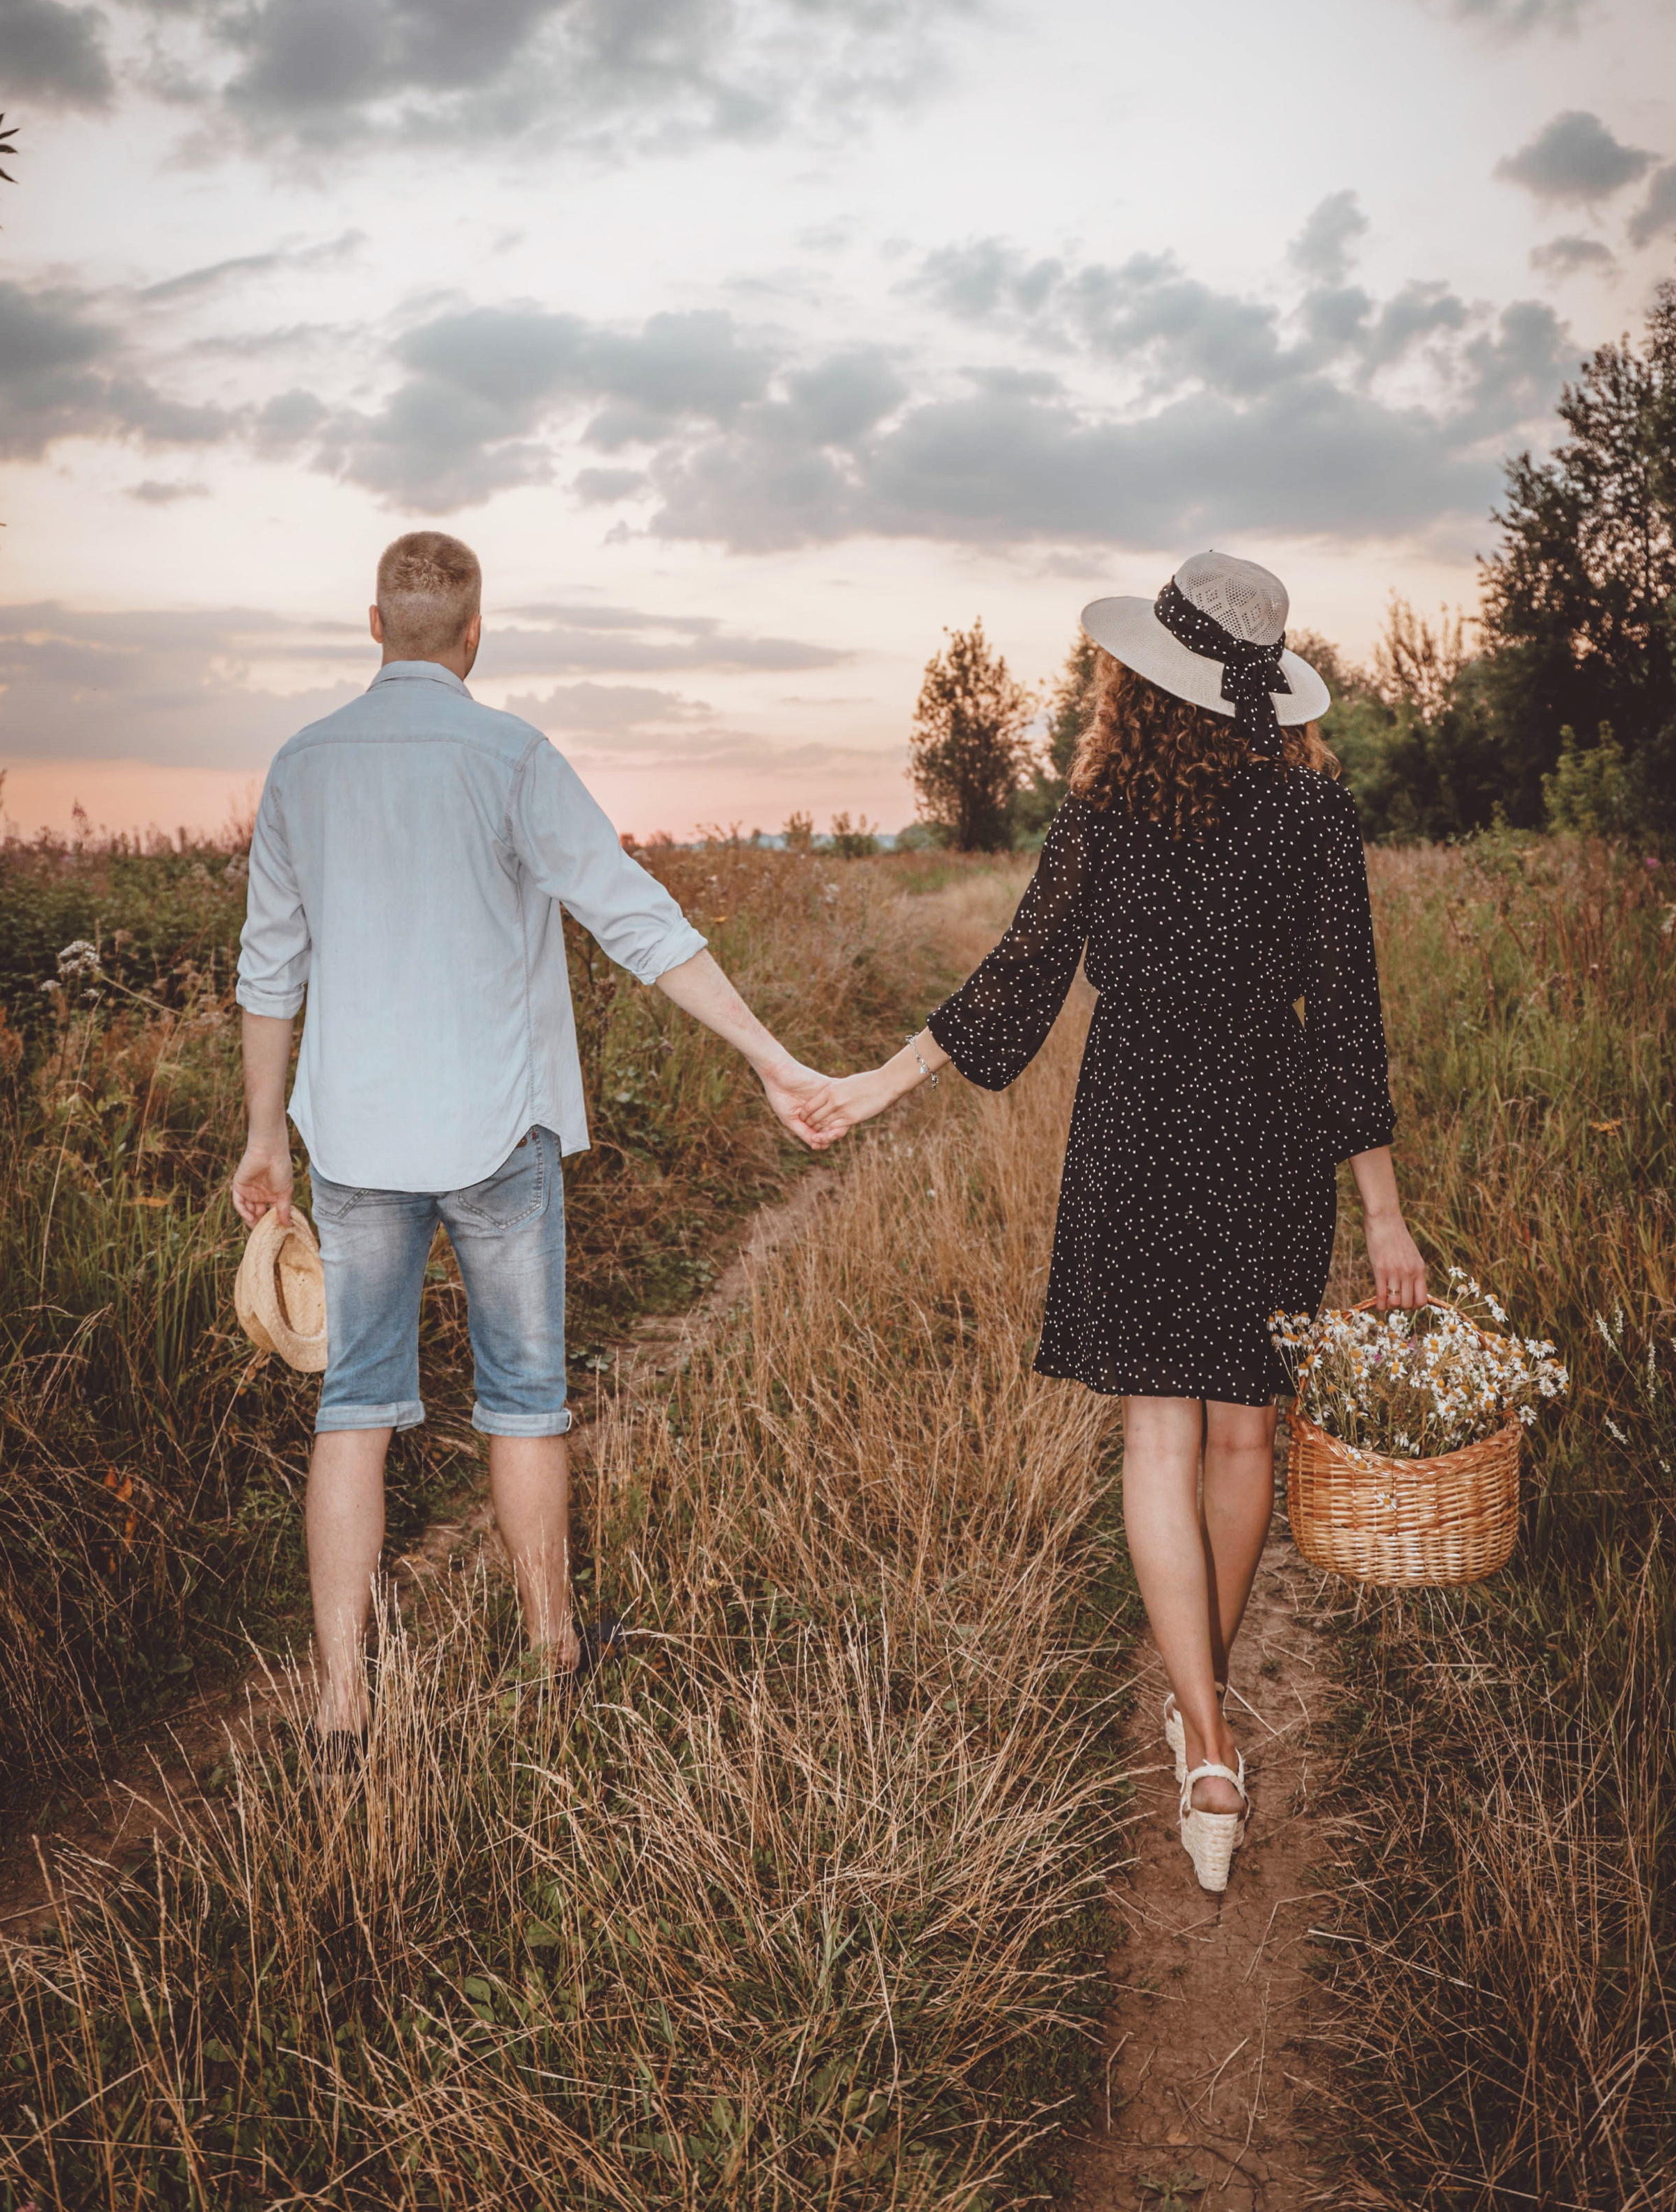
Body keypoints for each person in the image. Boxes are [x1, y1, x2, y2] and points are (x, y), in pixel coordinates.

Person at [808, 551, 1424, 1894]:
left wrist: (875, 1084)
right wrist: (1384, 1213)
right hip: (1268, 1134)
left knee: (1159, 1431)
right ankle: (1209, 1716)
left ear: (1146, 677)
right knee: (1246, 1429)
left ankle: (1206, 1743)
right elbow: (1348, 1021)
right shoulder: (1315, 810)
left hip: (1140, 1126)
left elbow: (1021, 976)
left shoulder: (1106, 806)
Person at [231, 531, 832, 1748]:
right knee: (523, 1399)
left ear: (374, 625)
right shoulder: (511, 756)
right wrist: (771, 1056)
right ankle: (554, 1654)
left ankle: (343, 1705)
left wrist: (263, 1137)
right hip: (497, 1130)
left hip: (352, 1140)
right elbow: (638, 921)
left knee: (353, 1405)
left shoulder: (301, 766)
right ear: (475, 633)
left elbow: (270, 969)